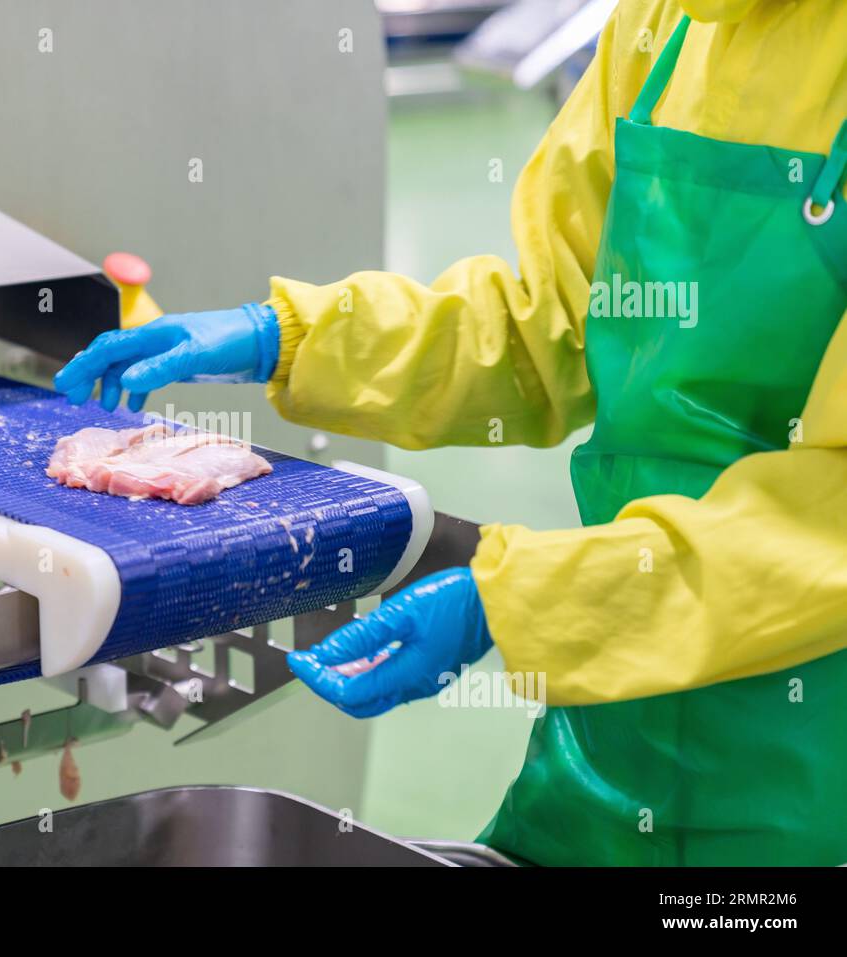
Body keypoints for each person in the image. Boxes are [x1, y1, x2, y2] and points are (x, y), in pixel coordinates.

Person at [53, 0, 847, 866]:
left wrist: (522, 600)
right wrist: (295, 336)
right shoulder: (665, 29)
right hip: (612, 756)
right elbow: (551, 324)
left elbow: (827, 521)